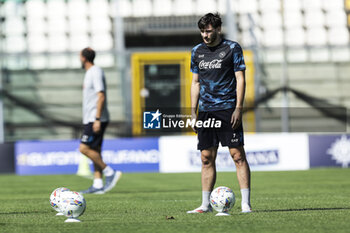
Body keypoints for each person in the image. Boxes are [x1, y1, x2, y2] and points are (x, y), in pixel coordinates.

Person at [187, 13, 252, 213]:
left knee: (237, 155)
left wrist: (238, 108)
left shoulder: (232, 48)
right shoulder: (197, 51)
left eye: (208, 30)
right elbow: (195, 83)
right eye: (202, 31)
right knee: (206, 157)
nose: (205, 35)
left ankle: (245, 204)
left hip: (227, 109)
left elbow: (240, 79)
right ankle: (205, 204)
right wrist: (193, 112)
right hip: (206, 111)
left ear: (217, 29)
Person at [79, 47, 122, 194]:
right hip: (91, 118)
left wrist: (97, 119)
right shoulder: (89, 73)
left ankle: (110, 172)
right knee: (95, 150)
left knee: (84, 148)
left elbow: (101, 95)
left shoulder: (95, 72)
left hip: (95, 118)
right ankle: (97, 184)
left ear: (83, 58)